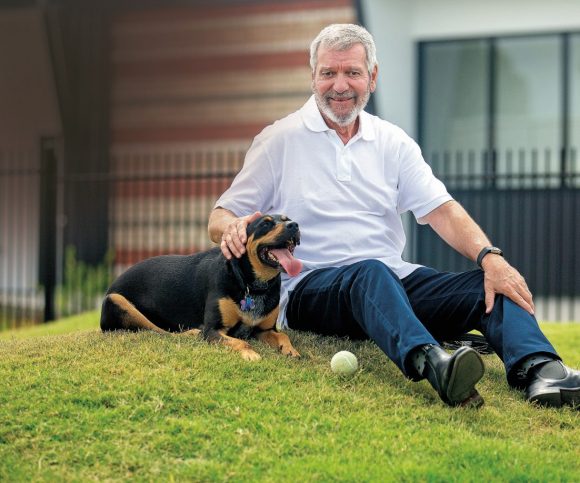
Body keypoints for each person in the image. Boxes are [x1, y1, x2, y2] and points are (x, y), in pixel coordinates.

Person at [208, 24, 580, 408]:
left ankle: (542, 372)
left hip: (390, 283)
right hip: (309, 291)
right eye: (328, 73)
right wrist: (233, 227)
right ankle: (435, 363)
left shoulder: (393, 142)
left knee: (490, 284)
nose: (340, 85)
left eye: (352, 72)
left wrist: (491, 258)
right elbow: (220, 216)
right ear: (313, 77)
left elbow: (443, 211)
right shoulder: (279, 140)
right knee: (371, 272)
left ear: (372, 76)